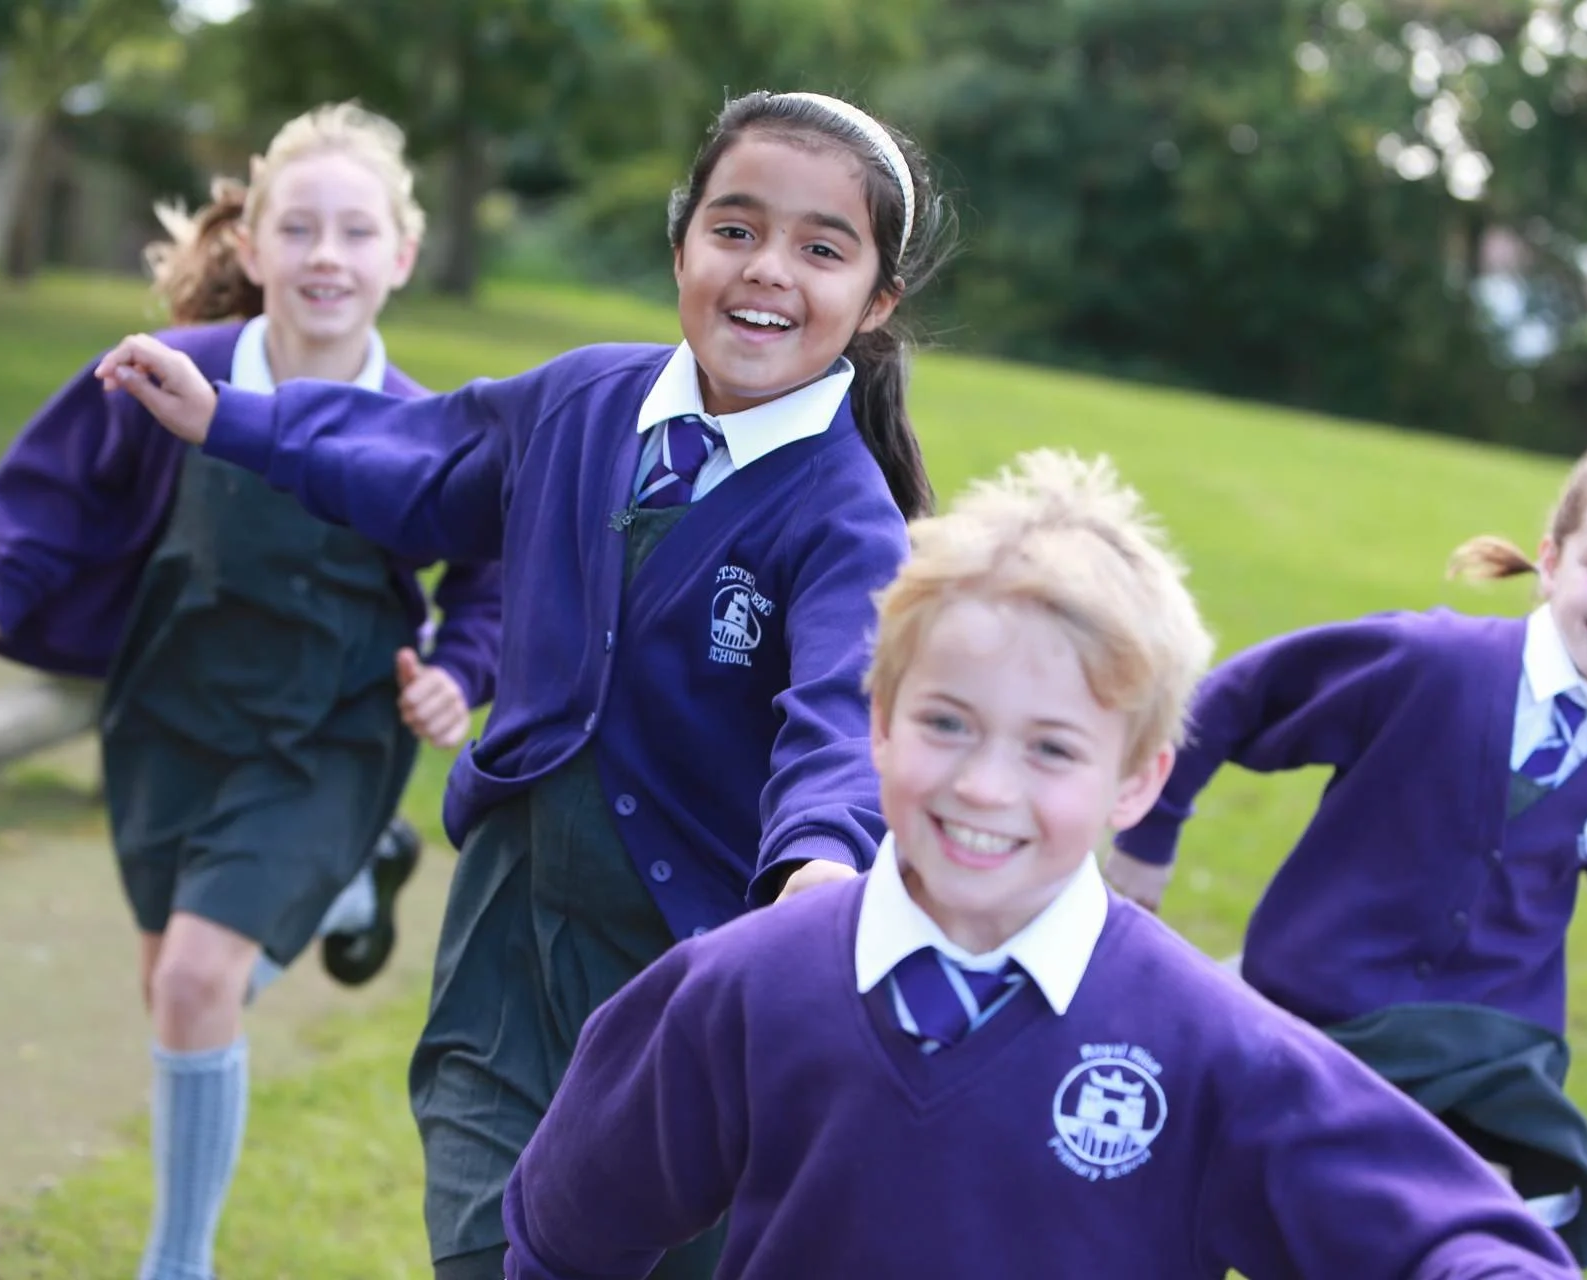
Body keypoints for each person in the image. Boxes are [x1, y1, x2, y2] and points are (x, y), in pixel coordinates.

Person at [90, 89, 952, 1277]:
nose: (768, 271)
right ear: (682, 239)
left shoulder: (846, 519)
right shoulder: (583, 400)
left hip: (694, 978)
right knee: (487, 1239)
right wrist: (240, 421)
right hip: (512, 929)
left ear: (878, 300)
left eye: (823, 248)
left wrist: (819, 861)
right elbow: (424, 452)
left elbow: (844, 713)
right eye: (737, 228)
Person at [497, 449, 1582, 1279]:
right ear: (878, 719)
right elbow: (566, 1227)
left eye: (1052, 747)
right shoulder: (747, 986)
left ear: (1137, 779)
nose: (984, 785)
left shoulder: (1205, 1040)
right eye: (949, 723)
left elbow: (1443, 1231)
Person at [0, 103, 501, 1280]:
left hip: (325, 736)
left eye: (357, 231)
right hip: (171, 719)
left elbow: (494, 572)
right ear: (252, 247)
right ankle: (353, 888)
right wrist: (6, 591)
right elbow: (63, 488)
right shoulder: (173, 372)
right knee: (178, 993)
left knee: (198, 978)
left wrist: (458, 671)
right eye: (300, 228)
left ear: (402, 252)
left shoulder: (421, 427)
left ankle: (176, 1261)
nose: (326, 255)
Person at [1107, 422, 1587, 1264]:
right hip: (1322, 1010)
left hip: (1489, 1064)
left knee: (1544, 1210)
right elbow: (1241, 697)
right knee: (1201, 1190)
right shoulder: (1431, 663)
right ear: (1551, 560)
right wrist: (1153, 830)